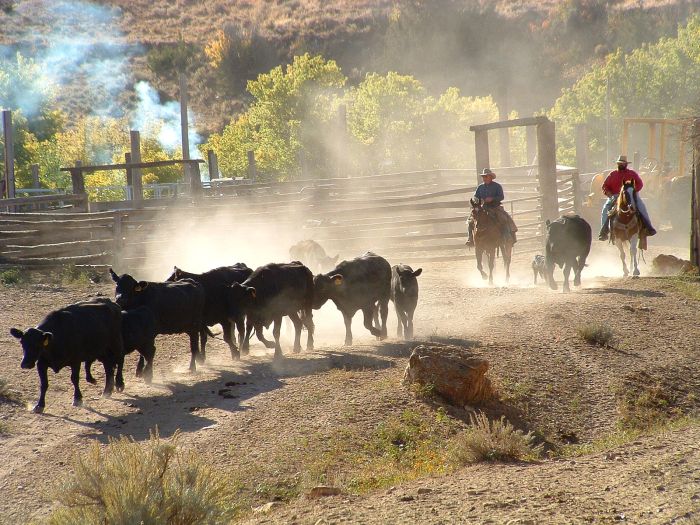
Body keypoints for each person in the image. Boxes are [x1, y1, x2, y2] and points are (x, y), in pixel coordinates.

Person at [598, 155, 657, 241]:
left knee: (642, 207)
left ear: (626, 164)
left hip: (632, 195)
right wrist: (609, 193)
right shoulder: (612, 174)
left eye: (623, 163)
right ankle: (603, 231)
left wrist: (632, 191)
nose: (621, 165)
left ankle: (649, 228)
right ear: (617, 164)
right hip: (615, 196)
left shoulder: (632, 173)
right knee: (605, 209)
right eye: (620, 163)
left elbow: (640, 184)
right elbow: (605, 186)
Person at [465, 168, 518, 247]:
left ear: (490, 177)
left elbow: (501, 197)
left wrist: (492, 199)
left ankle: (507, 237)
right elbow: (476, 197)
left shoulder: (497, 186)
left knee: (504, 219)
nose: (484, 178)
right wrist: (477, 201)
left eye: (486, 176)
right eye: (483, 177)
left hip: (495, 207)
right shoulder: (480, 187)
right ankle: (470, 238)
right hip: (483, 207)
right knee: (471, 220)